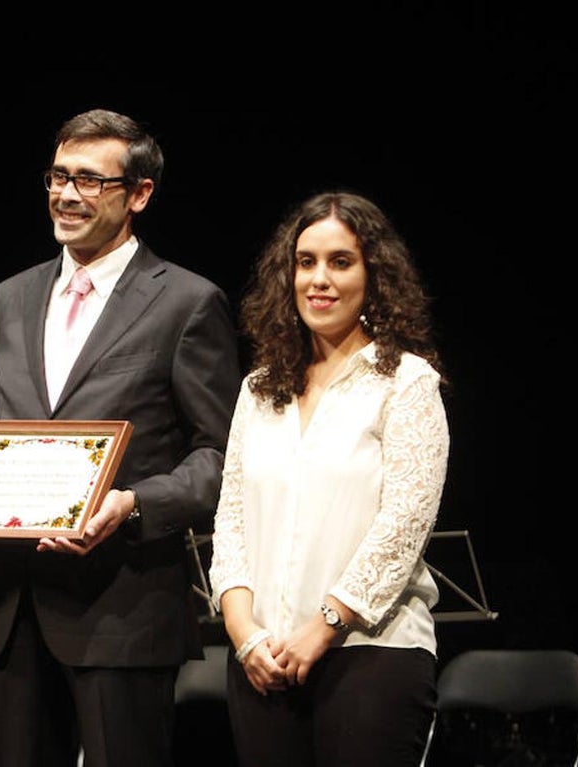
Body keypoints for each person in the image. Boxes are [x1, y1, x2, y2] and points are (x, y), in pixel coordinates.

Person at [0, 108, 240, 767]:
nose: (66, 194)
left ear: (139, 194)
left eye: (90, 181)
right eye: (59, 176)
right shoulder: (12, 296)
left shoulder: (186, 301)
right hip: (9, 604)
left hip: (121, 608)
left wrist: (134, 503)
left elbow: (220, 457)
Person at [208, 190, 450, 766]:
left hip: (370, 655)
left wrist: (323, 628)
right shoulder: (259, 388)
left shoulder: (406, 383)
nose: (319, 278)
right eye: (306, 261)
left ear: (374, 276)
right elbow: (231, 522)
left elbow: (403, 526)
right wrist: (245, 637)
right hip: (262, 662)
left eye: (341, 262)